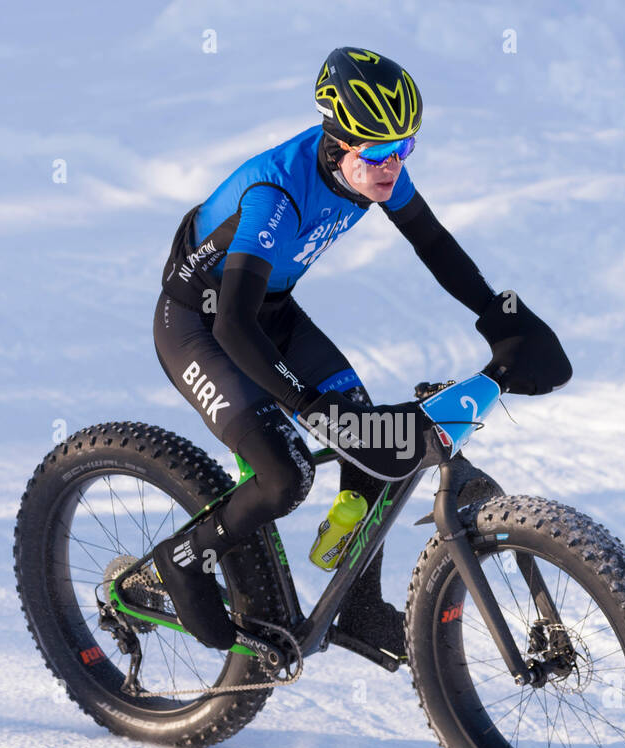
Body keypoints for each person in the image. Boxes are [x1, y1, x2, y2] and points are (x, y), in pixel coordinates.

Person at [150, 46, 571, 661]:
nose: (392, 166)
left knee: (376, 446)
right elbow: (234, 325)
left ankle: (360, 607)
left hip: (268, 310)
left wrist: (499, 315)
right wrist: (306, 404)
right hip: (200, 325)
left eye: (405, 148)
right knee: (284, 476)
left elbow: (432, 242)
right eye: (377, 153)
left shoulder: (374, 164)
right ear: (336, 143)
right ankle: (182, 561)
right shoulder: (274, 196)